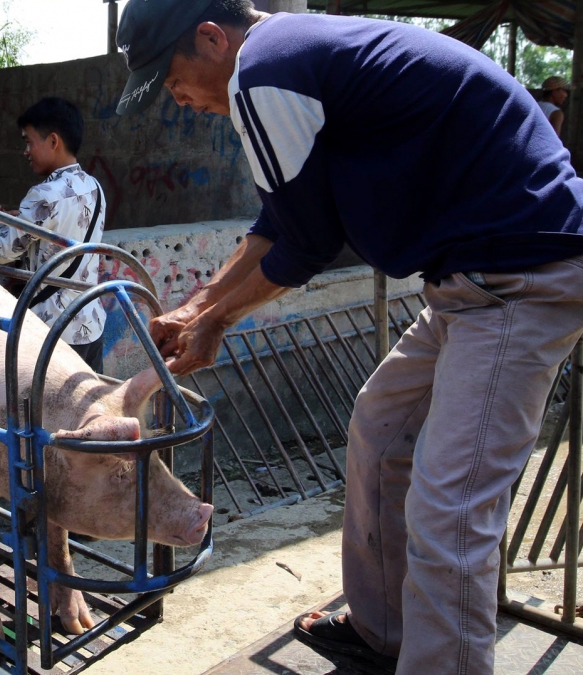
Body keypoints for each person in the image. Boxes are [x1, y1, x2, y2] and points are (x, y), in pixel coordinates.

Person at [114, 1, 583, 672]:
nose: (178, 99)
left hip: (521, 277)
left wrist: (215, 321)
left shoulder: (263, 72)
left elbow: (305, 246)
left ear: (212, 39)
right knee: (380, 425)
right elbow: (278, 221)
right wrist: (198, 305)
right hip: (469, 281)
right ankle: (384, 627)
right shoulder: (288, 57)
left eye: (171, 78)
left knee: (449, 504)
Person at [0, 97, 108, 372]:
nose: (25, 151)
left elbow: (2, 253)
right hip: (89, 322)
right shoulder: (95, 186)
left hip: (52, 331)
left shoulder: (44, 195)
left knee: (45, 411)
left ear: (53, 142)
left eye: (29, 142)